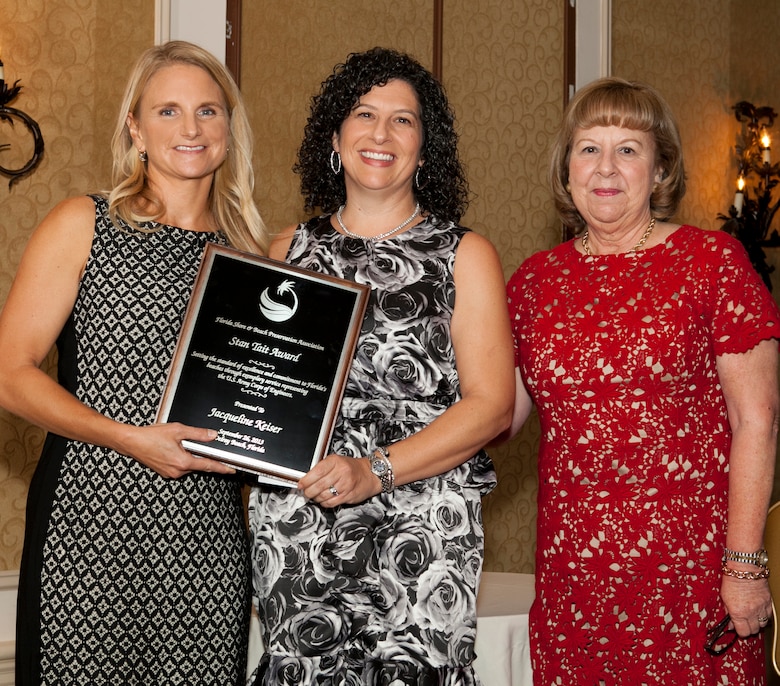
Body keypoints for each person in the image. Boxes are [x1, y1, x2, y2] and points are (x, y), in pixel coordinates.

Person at [0, 41, 268, 685]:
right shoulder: (83, 223)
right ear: (135, 126)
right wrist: (129, 439)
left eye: (208, 111)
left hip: (206, 538)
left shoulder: (253, 257)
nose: (191, 129)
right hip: (87, 522)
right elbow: (10, 373)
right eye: (168, 111)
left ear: (229, 127)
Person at [247, 47, 514, 685]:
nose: (381, 134)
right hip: (297, 516)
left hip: (424, 513)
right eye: (364, 115)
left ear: (425, 150)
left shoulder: (465, 255)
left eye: (404, 120)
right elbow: (250, 387)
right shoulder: (281, 250)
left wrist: (375, 471)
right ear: (335, 139)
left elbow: (492, 405)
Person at [506, 76, 780, 684]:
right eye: (589, 148)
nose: (606, 167)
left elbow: (756, 420)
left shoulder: (713, 263)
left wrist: (743, 565)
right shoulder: (533, 283)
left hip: (691, 574)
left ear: (659, 170)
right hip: (573, 577)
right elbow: (500, 418)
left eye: (628, 148)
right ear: (566, 168)